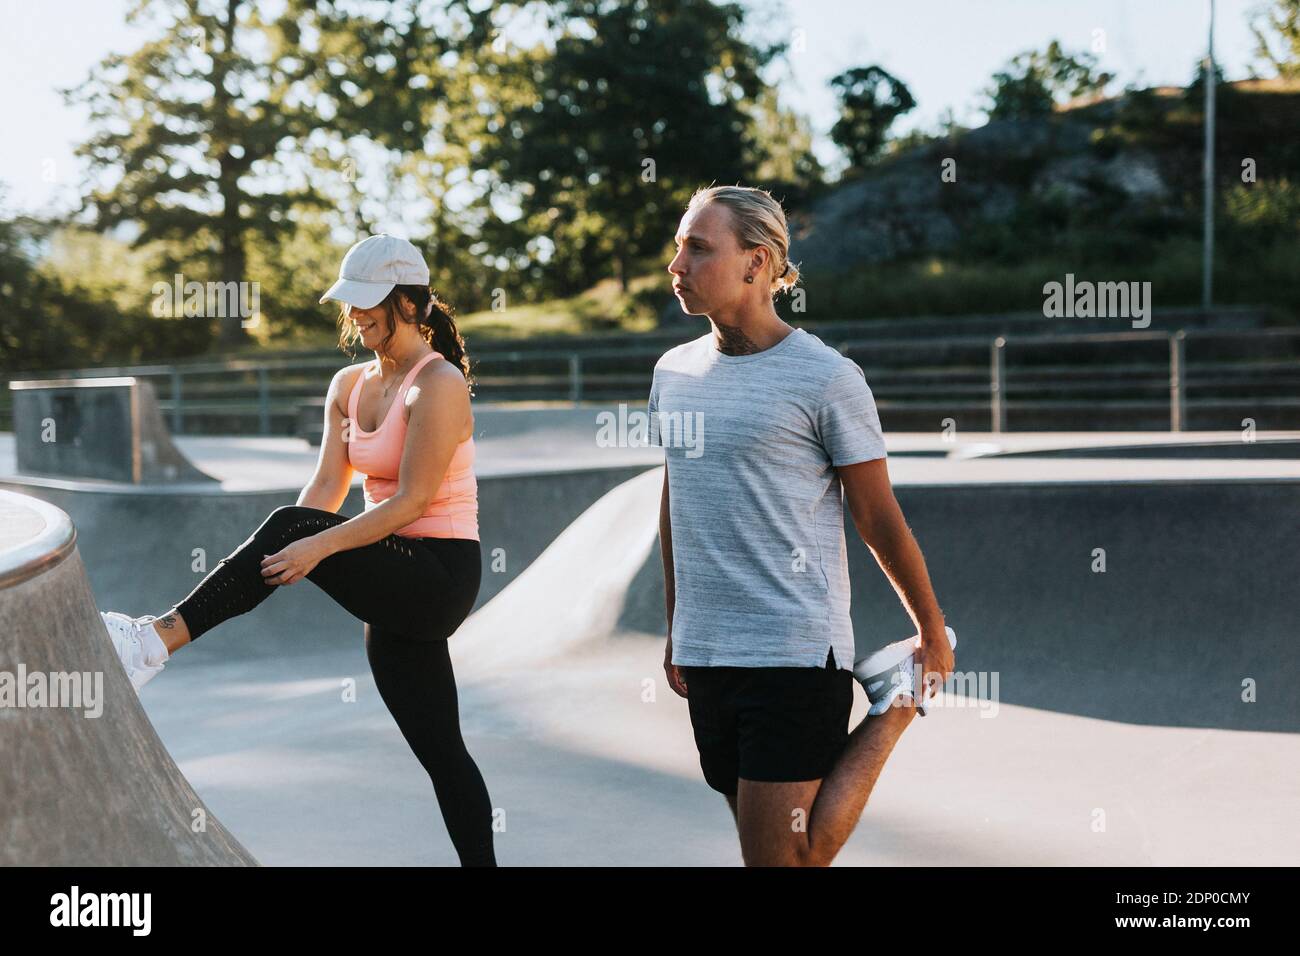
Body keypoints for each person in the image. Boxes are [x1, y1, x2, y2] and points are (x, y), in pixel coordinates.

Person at [99, 233, 497, 867]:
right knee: (443, 754)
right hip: (388, 569)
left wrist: (312, 546)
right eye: (354, 304)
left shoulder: (439, 384)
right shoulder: (349, 384)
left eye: (375, 304)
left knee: (295, 529)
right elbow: (325, 491)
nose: (359, 316)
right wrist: (301, 537)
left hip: (439, 575)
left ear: (414, 305)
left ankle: (154, 642)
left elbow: (412, 503)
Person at [650, 185, 957, 867]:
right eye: (678, 246)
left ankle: (897, 705)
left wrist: (931, 632)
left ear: (757, 263)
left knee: (783, 860)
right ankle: (895, 700)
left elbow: (876, 514)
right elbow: (677, 500)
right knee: (788, 854)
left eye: (698, 248)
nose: (676, 265)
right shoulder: (672, 373)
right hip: (707, 651)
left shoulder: (825, 378)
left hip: (791, 649)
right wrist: (677, 624)